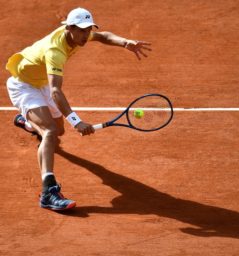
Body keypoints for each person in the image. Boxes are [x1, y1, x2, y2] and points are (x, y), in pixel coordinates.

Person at [5, 7, 152, 211]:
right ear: (70, 28)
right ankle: (49, 192)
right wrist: (76, 121)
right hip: (24, 85)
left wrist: (125, 42)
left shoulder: (77, 35)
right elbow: (56, 91)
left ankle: (28, 123)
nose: (85, 35)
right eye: (81, 30)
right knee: (50, 132)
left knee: (58, 132)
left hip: (41, 82)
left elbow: (103, 36)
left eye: (88, 30)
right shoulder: (54, 51)